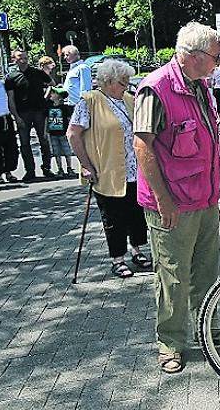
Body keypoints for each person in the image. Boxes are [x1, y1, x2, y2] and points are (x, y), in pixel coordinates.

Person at [133, 22, 220, 374]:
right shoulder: (155, 89)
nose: (218, 63)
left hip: (204, 198)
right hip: (171, 204)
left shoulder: (201, 86)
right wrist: (163, 199)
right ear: (192, 56)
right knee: (172, 276)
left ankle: (207, 332)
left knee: (206, 271)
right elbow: (142, 146)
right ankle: (170, 343)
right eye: (214, 57)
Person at [68, 59, 151, 278]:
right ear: (109, 81)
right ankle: (117, 259)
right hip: (107, 170)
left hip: (135, 170)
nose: (127, 85)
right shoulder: (89, 102)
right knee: (114, 217)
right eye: (123, 82)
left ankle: (138, 250)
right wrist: (86, 165)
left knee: (137, 214)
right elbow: (73, 134)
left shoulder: (129, 100)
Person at [4, 50, 55, 181]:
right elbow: (10, 98)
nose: (24, 60)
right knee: (25, 143)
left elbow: (52, 83)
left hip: (39, 111)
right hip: (23, 113)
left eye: (25, 57)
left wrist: (45, 97)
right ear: (14, 59)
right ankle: (30, 170)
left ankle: (47, 167)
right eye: (20, 57)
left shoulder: (37, 72)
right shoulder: (11, 77)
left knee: (43, 140)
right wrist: (16, 116)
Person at [45, 87, 75, 177]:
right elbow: (47, 119)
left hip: (63, 133)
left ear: (59, 96)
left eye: (53, 93)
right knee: (56, 152)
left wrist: (71, 130)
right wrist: (45, 131)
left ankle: (69, 168)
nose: (51, 94)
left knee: (67, 151)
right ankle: (60, 169)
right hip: (53, 133)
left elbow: (69, 120)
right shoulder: (48, 106)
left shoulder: (65, 108)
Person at [0, 66, 20, 183]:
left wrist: (15, 116)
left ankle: (8, 172)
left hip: (5, 117)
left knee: (10, 146)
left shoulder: (2, 84)